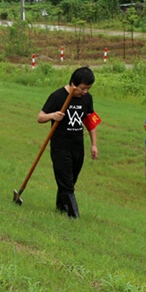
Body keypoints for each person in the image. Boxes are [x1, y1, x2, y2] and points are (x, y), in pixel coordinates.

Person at [37, 67, 99, 218]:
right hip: (60, 147)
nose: (85, 92)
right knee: (67, 183)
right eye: (82, 88)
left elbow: (91, 122)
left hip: (78, 147)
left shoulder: (87, 98)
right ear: (73, 83)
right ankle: (74, 215)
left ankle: (61, 206)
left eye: (88, 88)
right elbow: (40, 117)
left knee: (71, 180)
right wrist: (53, 115)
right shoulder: (57, 96)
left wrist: (94, 144)